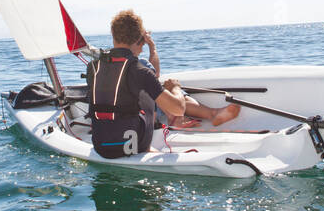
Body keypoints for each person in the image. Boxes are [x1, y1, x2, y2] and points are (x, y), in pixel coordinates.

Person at [88, 10, 240, 158]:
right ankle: (150, 147)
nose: (141, 49)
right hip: (133, 147)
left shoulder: (93, 67)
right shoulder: (140, 70)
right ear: (139, 40)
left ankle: (151, 148)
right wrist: (175, 88)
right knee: (160, 97)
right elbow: (178, 109)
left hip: (101, 145)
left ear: (113, 36)